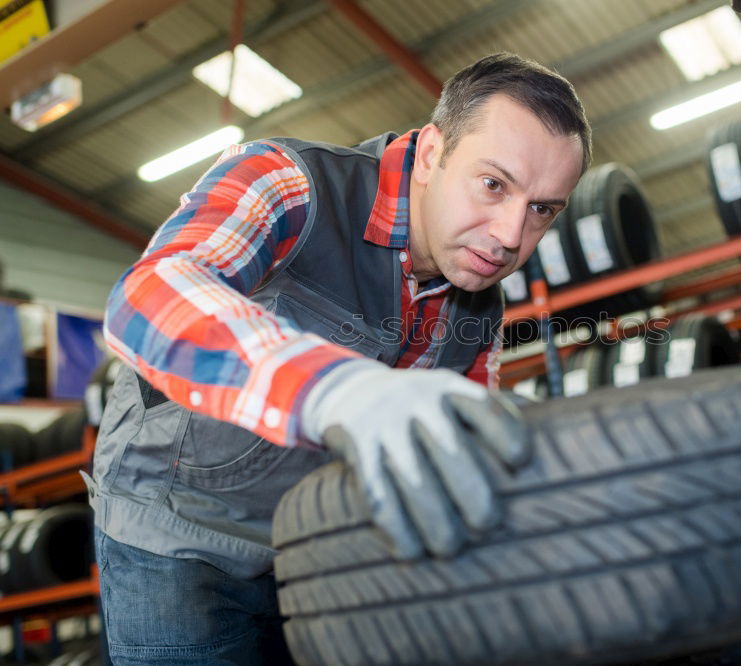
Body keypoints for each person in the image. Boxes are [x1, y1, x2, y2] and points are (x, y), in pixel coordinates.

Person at [86, 52, 592, 664]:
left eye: (542, 209)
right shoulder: (289, 181)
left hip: (312, 545)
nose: (512, 235)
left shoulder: (480, 305)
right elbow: (149, 298)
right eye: (493, 184)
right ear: (433, 152)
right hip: (175, 529)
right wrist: (336, 390)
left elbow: (459, 444)